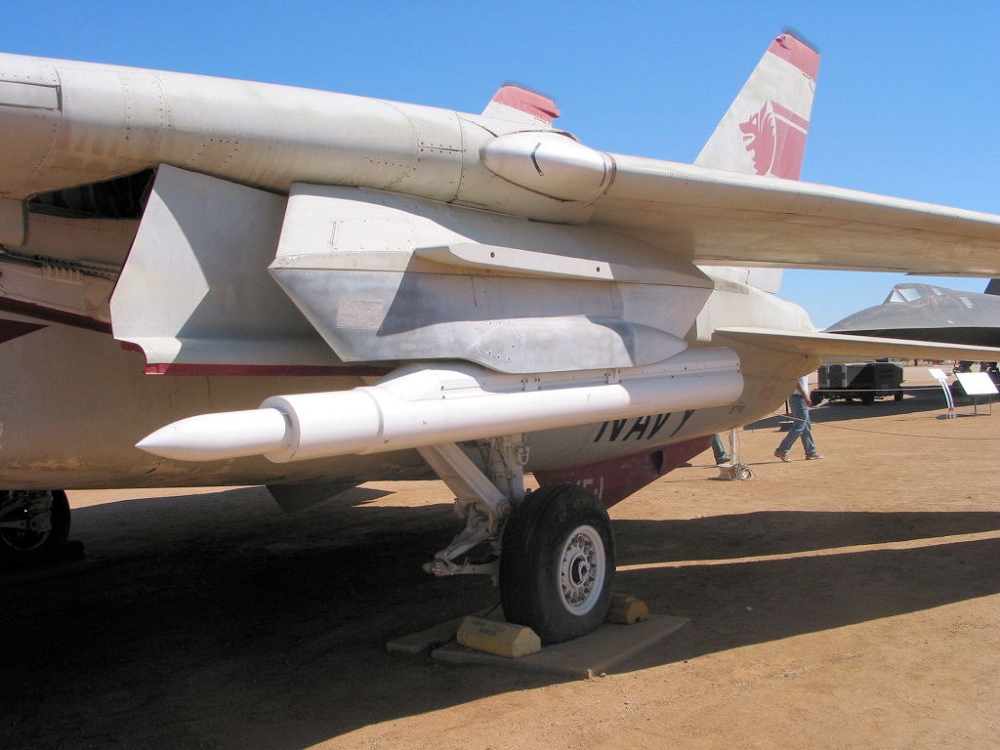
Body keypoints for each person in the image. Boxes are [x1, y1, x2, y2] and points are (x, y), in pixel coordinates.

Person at [774, 375, 824, 462]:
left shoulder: (803, 369)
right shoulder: (799, 369)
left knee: (806, 426)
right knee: (799, 427)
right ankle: (782, 450)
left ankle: (811, 452)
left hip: (798, 399)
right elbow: (795, 382)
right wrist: (805, 396)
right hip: (798, 398)